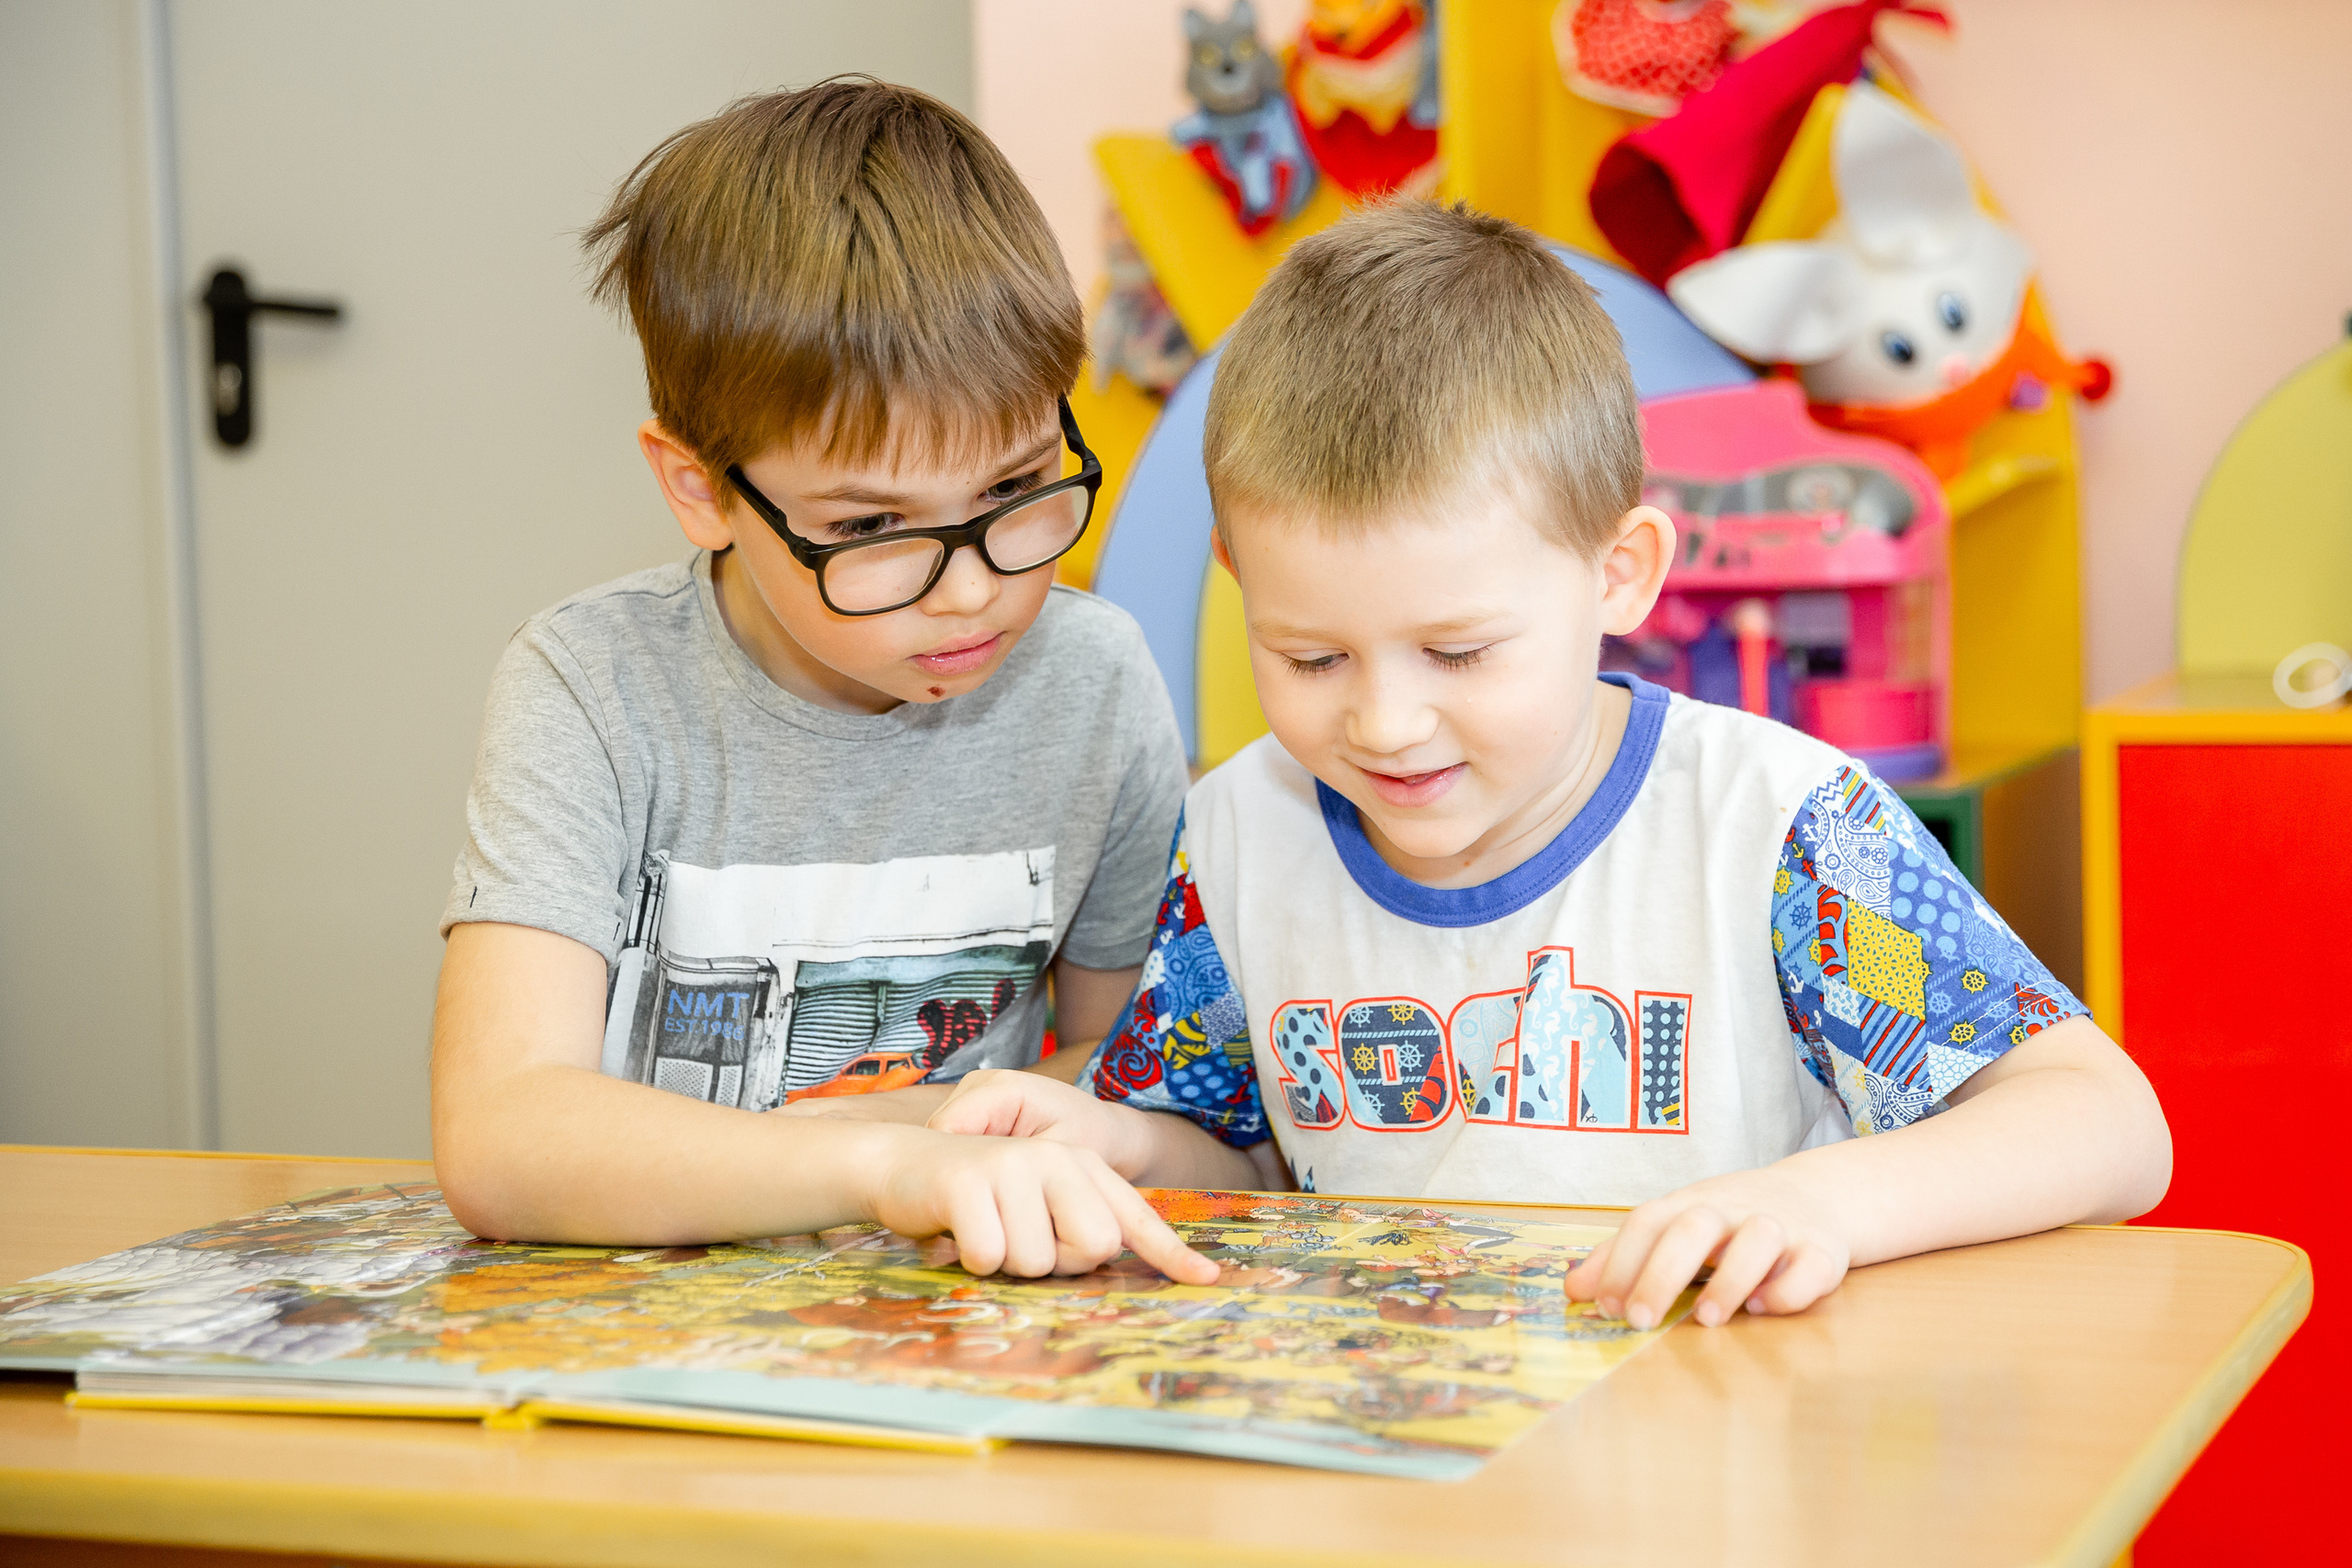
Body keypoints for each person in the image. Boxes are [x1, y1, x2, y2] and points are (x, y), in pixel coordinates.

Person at [931, 199, 2170, 1327]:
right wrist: (1115, 1145)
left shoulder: (1790, 833)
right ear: (1241, 584)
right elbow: (1245, 1168)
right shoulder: (1242, 834)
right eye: (1311, 659)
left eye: (1459, 653)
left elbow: (2107, 1123)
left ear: (1618, 573)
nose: (1387, 725)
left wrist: (1826, 1206)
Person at [429, 79, 1214, 1285]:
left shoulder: (1093, 680)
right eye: (875, 527)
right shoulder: (591, 687)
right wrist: (880, 1166)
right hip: (641, 1350)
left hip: (966, 1325)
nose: (970, 592)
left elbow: (1129, 1075)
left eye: (1015, 492)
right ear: (700, 490)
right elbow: (500, 1134)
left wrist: (914, 1151)